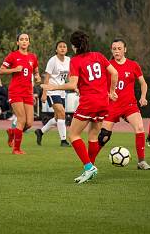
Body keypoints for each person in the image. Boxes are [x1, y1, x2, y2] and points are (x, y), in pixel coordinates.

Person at [42, 30, 118, 184]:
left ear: (74, 46)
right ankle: (89, 168)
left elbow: (72, 84)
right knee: (93, 137)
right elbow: (114, 73)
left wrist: (52, 87)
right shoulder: (98, 55)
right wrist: (111, 91)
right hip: (103, 101)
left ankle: (89, 167)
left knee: (73, 135)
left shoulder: (75, 61)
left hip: (89, 102)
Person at [95, 38, 150, 170]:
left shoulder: (133, 65)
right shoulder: (108, 65)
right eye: (114, 49)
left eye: (119, 48)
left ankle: (141, 161)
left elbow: (143, 83)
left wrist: (143, 97)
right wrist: (106, 94)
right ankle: (89, 163)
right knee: (103, 137)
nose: (116, 51)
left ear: (125, 49)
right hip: (111, 106)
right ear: (111, 50)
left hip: (129, 105)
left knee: (139, 127)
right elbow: (100, 84)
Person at [0, 33, 41, 155]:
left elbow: (36, 71)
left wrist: (37, 77)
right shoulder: (12, 56)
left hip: (28, 92)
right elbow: (1, 71)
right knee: (21, 119)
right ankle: (16, 149)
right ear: (17, 42)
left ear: (29, 42)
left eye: (26, 39)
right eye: (21, 39)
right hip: (15, 91)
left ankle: (13, 132)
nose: (24, 41)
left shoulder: (33, 57)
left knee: (29, 123)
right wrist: (14, 70)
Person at [35, 41, 71, 147]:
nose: (62, 48)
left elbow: (69, 76)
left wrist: (75, 87)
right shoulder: (52, 60)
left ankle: (40, 132)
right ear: (56, 49)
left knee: (57, 118)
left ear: (67, 49)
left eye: (64, 46)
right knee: (62, 113)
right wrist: (44, 93)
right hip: (51, 90)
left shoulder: (69, 60)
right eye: (60, 47)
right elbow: (46, 77)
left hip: (61, 90)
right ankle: (63, 141)